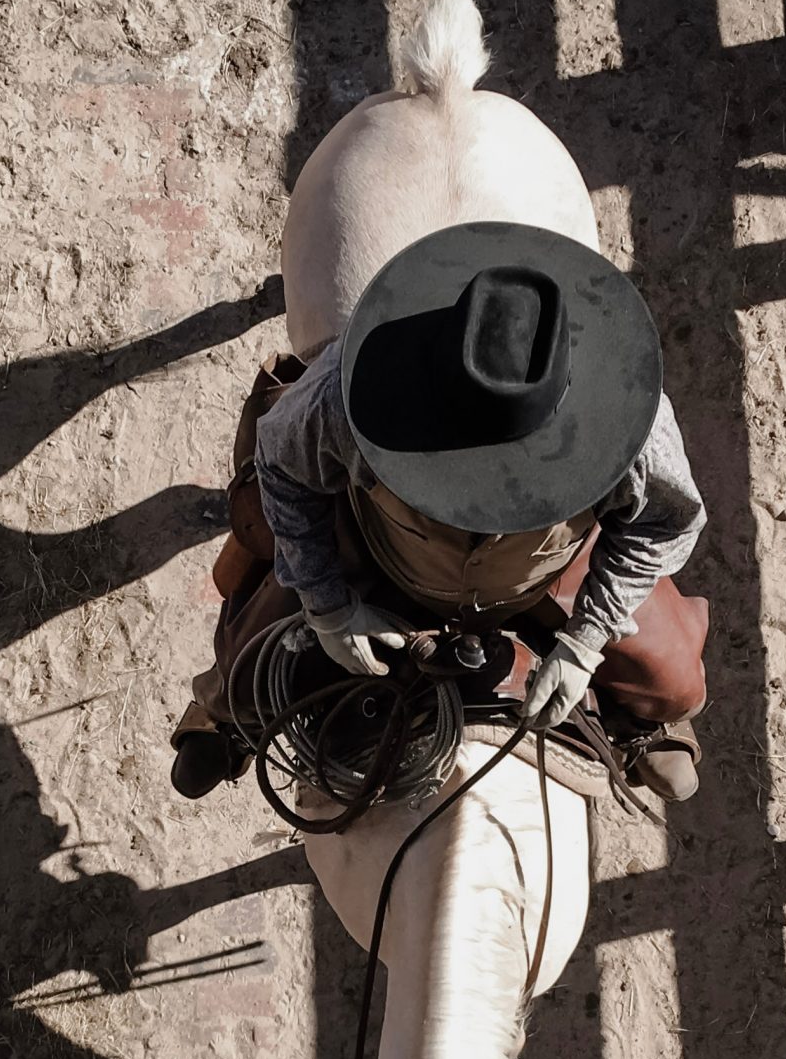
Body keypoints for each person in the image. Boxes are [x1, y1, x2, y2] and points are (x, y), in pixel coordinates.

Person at [170, 221, 709, 802]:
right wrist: (328, 608)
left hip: (550, 570)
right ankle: (223, 712)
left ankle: (642, 728)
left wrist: (586, 640)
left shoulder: (635, 424)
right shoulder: (343, 393)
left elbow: (665, 521)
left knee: (674, 681)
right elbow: (279, 463)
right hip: (383, 551)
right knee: (250, 671)